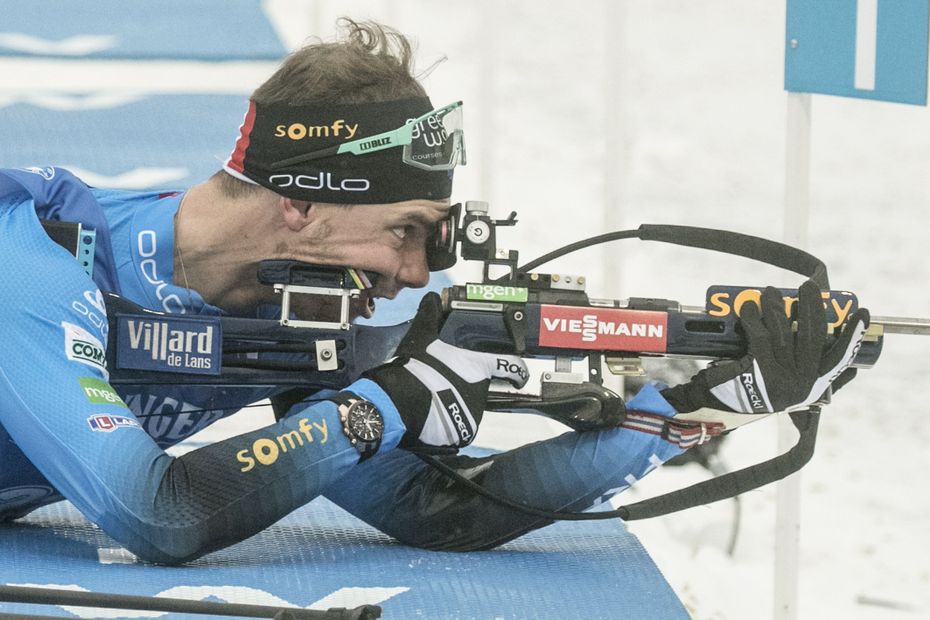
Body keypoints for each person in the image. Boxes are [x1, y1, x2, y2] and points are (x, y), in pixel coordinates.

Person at [0, 19, 870, 564]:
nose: (414, 275)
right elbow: (160, 516)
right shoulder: (33, 264)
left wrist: (700, 408)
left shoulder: (287, 297)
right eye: (405, 230)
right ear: (301, 201)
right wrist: (382, 404)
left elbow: (432, 508)